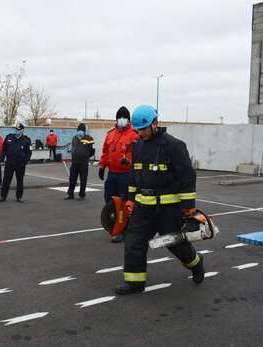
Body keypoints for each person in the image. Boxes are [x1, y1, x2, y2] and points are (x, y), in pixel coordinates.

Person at [115, 105, 204, 295]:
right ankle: (135, 282)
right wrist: (130, 200)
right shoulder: (137, 146)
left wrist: (189, 208)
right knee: (133, 241)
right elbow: (134, 174)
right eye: (137, 129)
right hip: (142, 208)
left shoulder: (173, 145)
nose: (140, 133)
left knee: (175, 244)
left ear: (155, 124)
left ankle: (196, 263)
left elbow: (187, 177)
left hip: (168, 209)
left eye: (143, 129)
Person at [99, 106, 139, 243]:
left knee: (124, 203)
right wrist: (101, 166)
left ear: (128, 120)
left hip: (126, 174)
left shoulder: (134, 134)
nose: (122, 120)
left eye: (124, 118)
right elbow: (105, 151)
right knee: (110, 200)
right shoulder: (110, 134)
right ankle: (115, 225)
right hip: (112, 174)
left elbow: (138, 153)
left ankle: (123, 229)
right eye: (119, 118)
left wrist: (127, 160)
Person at [0, 123, 32, 203]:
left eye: (19, 130)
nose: (17, 131)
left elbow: (29, 152)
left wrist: (25, 161)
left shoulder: (26, 140)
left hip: (20, 164)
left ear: (23, 130)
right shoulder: (9, 137)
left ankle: (19, 197)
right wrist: (2, 159)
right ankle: (3, 196)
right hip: (9, 163)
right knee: (6, 180)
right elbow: (4, 150)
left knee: (20, 181)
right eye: (16, 129)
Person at [65, 123, 95, 201]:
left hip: (83, 162)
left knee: (83, 179)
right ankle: (70, 194)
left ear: (84, 131)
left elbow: (92, 150)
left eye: (81, 130)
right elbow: (73, 148)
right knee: (72, 178)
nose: (80, 131)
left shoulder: (89, 138)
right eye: (79, 130)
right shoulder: (74, 138)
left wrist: (86, 156)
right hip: (74, 161)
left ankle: (82, 195)